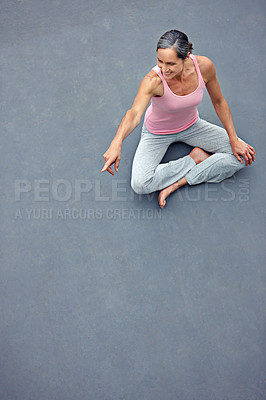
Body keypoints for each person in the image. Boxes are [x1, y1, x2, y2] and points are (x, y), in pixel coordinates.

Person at [101, 29, 255, 208]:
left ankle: (180, 181)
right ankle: (193, 159)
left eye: (171, 64)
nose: (164, 69)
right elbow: (134, 113)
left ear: (187, 56)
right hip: (157, 133)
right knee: (140, 184)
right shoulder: (153, 80)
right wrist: (116, 142)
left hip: (193, 126)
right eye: (160, 61)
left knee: (242, 157)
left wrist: (233, 138)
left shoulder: (204, 67)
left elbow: (219, 102)